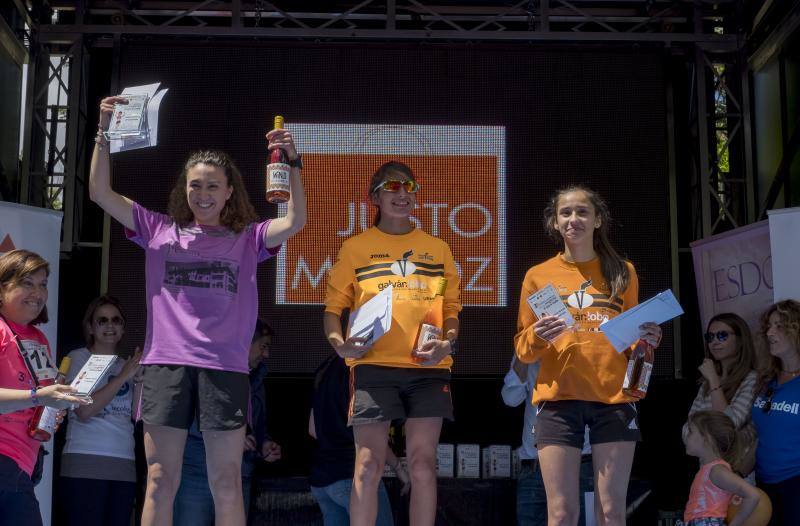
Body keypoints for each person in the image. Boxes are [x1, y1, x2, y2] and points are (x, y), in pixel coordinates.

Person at [89, 95, 307, 526]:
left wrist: (294, 163)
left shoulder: (249, 237)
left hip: (223, 368)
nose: (203, 194)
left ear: (229, 191)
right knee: (158, 479)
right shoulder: (157, 228)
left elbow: (296, 219)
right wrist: (103, 132)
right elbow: (99, 191)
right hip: (165, 366)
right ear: (183, 189)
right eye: (195, 185)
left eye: (212, 186)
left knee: (225, 481)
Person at [514, 185, 662, 526]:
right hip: (558, 398)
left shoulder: (623, 272)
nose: (573, 219)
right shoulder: (537, 276)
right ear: (554, 222)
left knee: (610, 513)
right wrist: (537, 335)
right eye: (565, 213)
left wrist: (648, 337)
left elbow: (632, 339)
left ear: (598, 220)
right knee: (562, 513)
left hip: (613, 398)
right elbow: (522, 349)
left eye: (582, 212)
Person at [324, 161, 461, 526]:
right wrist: (340, 344)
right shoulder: (356, 248)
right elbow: (333, 310)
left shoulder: (438, 249)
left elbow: (450, 309)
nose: (402, 195)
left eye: (409, 188)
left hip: (427, 367)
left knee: (422, 465)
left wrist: (448, 343)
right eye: (392, 188)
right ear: (375, 197)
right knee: (367, 464)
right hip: (373, 366)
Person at [0, 249, 89, 526]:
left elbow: (39, 399)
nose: (37, 293)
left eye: (43, 284)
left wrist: (53, 407)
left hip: (23, 464)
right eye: (27, 283)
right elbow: (34, 396)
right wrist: (38, 396)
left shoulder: (38, 337)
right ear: (2, 288)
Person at [173, 318, 281, 525]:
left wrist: (264, 444)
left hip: (241, 474)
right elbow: (192, 422)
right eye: (263, 347)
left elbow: (257, 427)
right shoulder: (208, 370)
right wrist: (231, 441)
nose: (266, 355)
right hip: (199, 473)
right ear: (244, 342)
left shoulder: (258, 380)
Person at [59, 295, 142, 526]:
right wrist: (124, 376)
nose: (109, 326)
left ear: (123, 328)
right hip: (84, 464)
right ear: (90, 327)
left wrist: (140, 382)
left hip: (123, 465)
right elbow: (84, 411)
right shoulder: (79, 358)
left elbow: (136, 416)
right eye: (102, 320)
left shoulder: (125, 365)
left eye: (116, 320)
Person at [308, 353, 406, 526]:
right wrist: (399, 467)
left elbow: (313, 429)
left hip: (322, 480)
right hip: (352, 476)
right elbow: (372, 438)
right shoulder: (366, 368)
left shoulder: (325, 367)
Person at [501, 356, 593, 526]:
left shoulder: (585, 340)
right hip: (534, 467)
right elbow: (511, 398)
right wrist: (524, 352)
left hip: (578, 465)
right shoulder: (531, 347)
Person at [751, 299, 800, 525]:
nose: (770, 332)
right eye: (768, 326)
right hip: (763, 485)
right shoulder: (766, 380)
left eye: (779, 326)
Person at [680, 410, 760, 526]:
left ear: (707, 439)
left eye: (691, 432)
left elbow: (753, 495)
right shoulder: (709, 469)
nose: (686, 436)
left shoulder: (717, 471)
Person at [686, 313, 759, 428]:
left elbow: (730, 424)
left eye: (722, 335)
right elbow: (688, 427)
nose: (714, 342)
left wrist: (713, 380)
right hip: (699, 445)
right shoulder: (708, 380)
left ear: (740, 340)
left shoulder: (752, 379)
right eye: (710, 337)